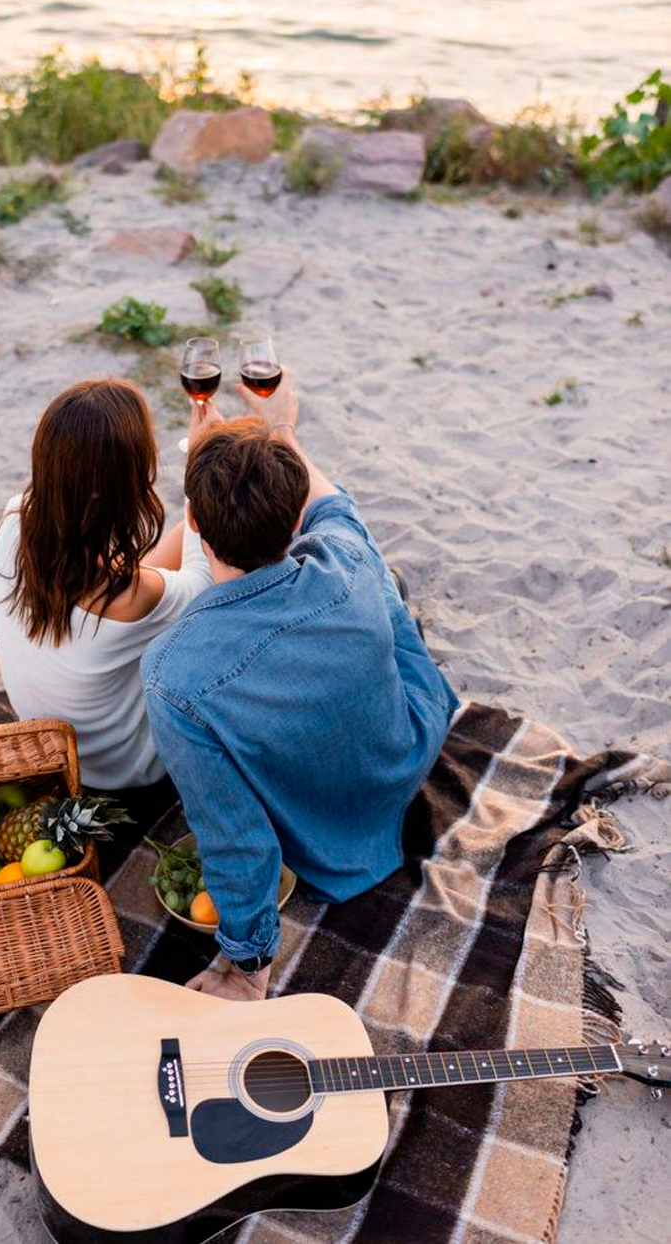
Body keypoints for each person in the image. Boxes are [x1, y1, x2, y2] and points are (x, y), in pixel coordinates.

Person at [142, 371, 459, 1001]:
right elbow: (334, 505)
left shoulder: (172, 671)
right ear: (292, 519)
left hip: (315, 836)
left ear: (195, 526)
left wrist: (248, 961)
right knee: (379, 585)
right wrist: (280, 427)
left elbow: (232, 835)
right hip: (408, 753)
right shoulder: (341, 555)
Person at [0, 379, 213, 789]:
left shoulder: (15, 521)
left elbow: (130, 574)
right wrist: (201, 465)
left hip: (53, 737)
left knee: (176, 551)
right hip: (124, 766)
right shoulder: (129, 596)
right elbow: (202, 578)